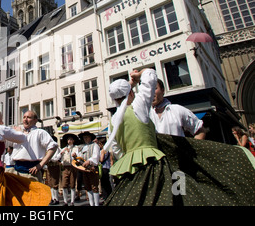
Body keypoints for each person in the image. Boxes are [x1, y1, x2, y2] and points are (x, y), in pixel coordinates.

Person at [104, 68, 255, 206]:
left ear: (163, 90)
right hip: (157, 165)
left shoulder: (175, 110)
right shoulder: (142, 109)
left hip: (176, 166)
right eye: (152, 89)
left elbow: (199, 129)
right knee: (165, 198)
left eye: (156, 88)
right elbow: (149, 76)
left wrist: (190, 151)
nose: (153, 92)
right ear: (132, 93)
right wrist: (137, 78)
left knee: (179, 197)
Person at [10, 110, 59, 182]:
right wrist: (15, 134)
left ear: (35, 120)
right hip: (16, 170)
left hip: (31, 172)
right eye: (24, 117)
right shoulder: (18, 133)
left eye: (28, 117)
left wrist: (41, 165)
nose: (25, 119)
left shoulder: (39, 132)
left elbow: (53, 147)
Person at [73, 131, 100, 206]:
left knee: (94, 186)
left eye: (87, 137)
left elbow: (96, 156)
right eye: (84, 137)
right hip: (84, 169)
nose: (85, 139)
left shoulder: (95, 145)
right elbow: (79, 158)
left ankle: (97, 204)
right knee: (88, 187)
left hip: (92, 168)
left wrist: (89, 161)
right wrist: (75, 156)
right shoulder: (81, 147)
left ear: (90, 137)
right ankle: (91, 204)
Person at [59, 133, 79, 206]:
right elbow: (60, 157)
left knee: (72, 184)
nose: (69, 141)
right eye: (68, 140)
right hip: (65, 167)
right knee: (64, 184)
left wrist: (70, 153)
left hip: (72, 167)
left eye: (71, 139)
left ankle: (72, 201)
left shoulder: (76, 148)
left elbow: (76, 157)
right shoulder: (63, 148)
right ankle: (65, 201)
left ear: (73, 141)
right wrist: (61, 154)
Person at [46, 136, 61, 205]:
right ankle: (52, 198)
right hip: (49, 166)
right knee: (50, 183)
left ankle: (56, 198)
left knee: (55, 182)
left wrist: (51, 159)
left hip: (55, 165)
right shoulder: (47, 148)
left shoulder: (57, 148)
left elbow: (57, 157)